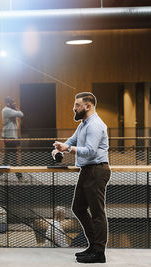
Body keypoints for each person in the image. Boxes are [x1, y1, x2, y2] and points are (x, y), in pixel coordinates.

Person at [52, 92, 110, 263]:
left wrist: (68, 149)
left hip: (97, 170)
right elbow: (72, 140)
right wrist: (60, 147)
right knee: (78, 207)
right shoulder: (83, 125)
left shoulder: (95, 125)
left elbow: (91, 150)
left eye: (77, 105)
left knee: (98, 213)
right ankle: (94, 246)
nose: (74, 108)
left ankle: (99, 253)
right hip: (87, 170)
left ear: (88, 106)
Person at [1, 96, 24, 179]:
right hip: (9, 137)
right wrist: (15, 108)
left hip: (11, 137)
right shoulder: (6, 110)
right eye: (12, 102)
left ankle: (0, 174)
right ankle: (19, 177)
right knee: (14, 157)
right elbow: (21, 114)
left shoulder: (9, 110)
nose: (14, 103)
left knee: (7, 157)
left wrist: (14, 108)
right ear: (8, 103)